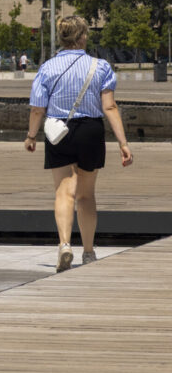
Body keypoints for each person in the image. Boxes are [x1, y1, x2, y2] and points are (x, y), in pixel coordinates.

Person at [24, 16, 134, 272]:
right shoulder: (101, 67)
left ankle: (64, 244)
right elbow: (110, 106)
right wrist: (123, 142)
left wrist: (31, 136)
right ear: (82, 36)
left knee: (64, 190)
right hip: (90, 130)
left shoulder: (47, 68)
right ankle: (88, 252)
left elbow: (37, 108)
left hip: (58, 130)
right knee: (86, 195)